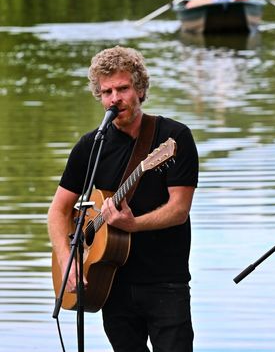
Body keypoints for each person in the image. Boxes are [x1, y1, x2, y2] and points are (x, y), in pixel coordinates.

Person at [47, 46, 199, 351]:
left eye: (123, 88)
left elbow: (179, 209)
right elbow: (58, 211)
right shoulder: (91, 145)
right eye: (106, 92)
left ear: (140, 90)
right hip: (110, 281)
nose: (114, 98)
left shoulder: (173, 137)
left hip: (165, 282)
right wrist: (68, 262)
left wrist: (133, 224)